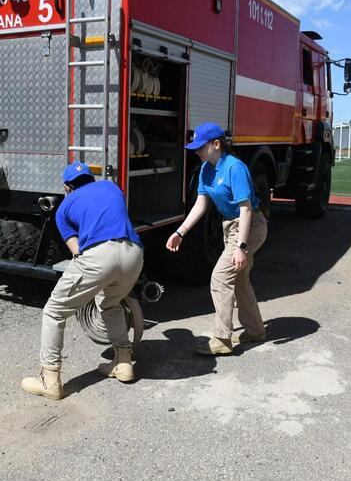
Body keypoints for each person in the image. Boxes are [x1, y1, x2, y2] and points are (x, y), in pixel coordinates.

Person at [21, 162, 144, 400]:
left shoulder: (64, 206)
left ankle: (50, 380)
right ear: (91, 178)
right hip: (134, 253)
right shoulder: (112, 188)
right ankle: (124, 362)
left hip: (100, 255)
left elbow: (77, 251)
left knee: (54, 312)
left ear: (67, 187)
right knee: (110, 304)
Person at [165, 122, 268, 355]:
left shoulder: (235, 168)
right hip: (230, 227)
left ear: (216, 144)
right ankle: (255, 331)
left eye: (201, 146)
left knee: (220, 278)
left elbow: (246, 210)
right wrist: (180, 232)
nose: (197, 151)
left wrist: (241, 246)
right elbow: (200, 205)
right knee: (239, 279)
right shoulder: (206, 169)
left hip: (249, 227)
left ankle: (222, 338)